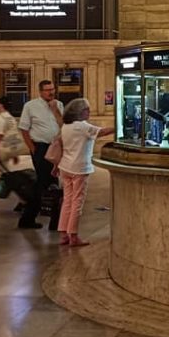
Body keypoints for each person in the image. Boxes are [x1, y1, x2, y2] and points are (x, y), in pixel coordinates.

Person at [55, 98, 114, 246]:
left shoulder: (66, 126)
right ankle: (73, 236)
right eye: (87, 109)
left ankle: (63, 234)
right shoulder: (82, 126)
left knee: (67, 201)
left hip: (65, 167)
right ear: (80, 112)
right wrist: (119, 127)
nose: (89, 112)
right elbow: (102, 132)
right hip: (79, 168)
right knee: (77, 202)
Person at [17, 80, 64, 229]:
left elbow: (63, 125)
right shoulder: (30, 106)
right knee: (45, 182)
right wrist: (33, 148)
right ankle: (32, 218)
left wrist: (56, 110)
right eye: (47, 90)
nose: (51, 92)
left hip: (55, 147)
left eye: (52, 89)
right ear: (40, 91)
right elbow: (24, 129)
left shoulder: (59, 105)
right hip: (40, 147)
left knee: (51, 182)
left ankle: (52, 219)